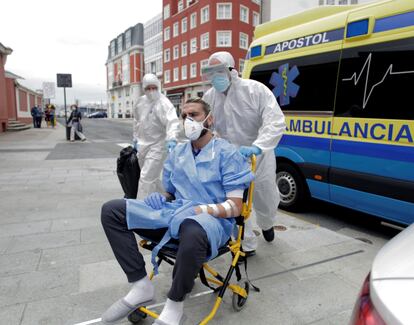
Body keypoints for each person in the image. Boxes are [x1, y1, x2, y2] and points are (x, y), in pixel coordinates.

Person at [101, 98, 254, 325]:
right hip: (175, 212)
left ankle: (175, 305)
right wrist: (159, 196)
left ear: (209, 119)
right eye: (184, 116)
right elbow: (170, 194)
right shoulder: (179, 153)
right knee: (112, 210)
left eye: (194, 115)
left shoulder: (228, 154)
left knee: (191, 227)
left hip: (211, 221)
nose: (188, 121)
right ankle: (141, 285)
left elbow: (235, 207)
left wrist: (200, 209)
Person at [202, 51, 286, 255]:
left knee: (265, 197)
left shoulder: (255, 90)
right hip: (230, 159)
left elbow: (274, 121)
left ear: (232, 69)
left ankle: (267, 224)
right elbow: (204, 126)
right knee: (234, 202)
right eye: (210, 73)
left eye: (219, 71)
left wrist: (258, 146)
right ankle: (244, 246)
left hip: (259, 156)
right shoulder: (210, 97)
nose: (215, 77)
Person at [132, 73, 180, 200]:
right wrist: (135, 138)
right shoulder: (140, 102)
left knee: (146, 177)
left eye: (154, 88)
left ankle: (140, 208)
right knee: (150, 177)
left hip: (158, 145)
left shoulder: (164, 103)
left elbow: (172, 122)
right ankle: (165, 198)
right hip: (142, 145)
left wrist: (172, 139)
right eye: (148, 88)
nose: (151, 91)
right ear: (144, 89)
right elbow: (137, 121)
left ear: (158, 87)